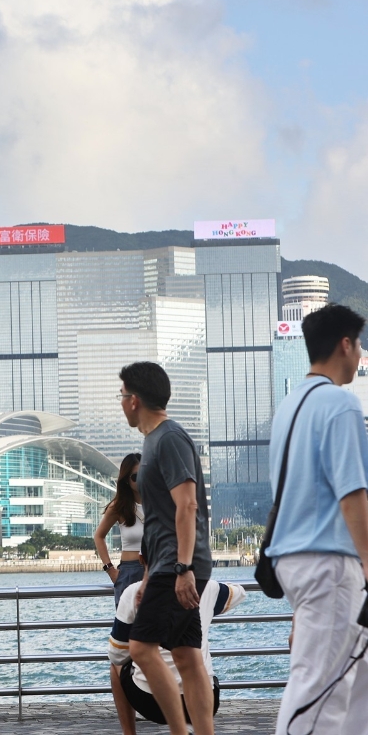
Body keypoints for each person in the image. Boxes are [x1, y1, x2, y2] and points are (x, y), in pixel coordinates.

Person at [265, 304, 368, 735]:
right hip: (330, 561)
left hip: (294, 559)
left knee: (355, 682)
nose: (360, 354)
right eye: (358, 344)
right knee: (318, 688)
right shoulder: (341, 404)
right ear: (345, 344)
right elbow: (352, 493)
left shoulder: (289, 408)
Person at [118, 362, 214, 735]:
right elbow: (159, 520)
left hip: (178, 565)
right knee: (186, 656)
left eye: (122, 395)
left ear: (134, 400)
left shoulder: (169, 438)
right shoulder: (153, 440)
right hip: (167, 565)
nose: (121, 402)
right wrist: (147, 576)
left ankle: (179, 731)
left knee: (141, 649)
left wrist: (182, 568)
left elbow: (187, 505)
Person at [107, 580, 245, 733]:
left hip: (150, 701)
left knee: (116, 664)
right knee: (197, 668)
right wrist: (209, 596)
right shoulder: (207, 587)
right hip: (204, 697)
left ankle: (129, 733)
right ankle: (190, 725)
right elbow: (239, 592)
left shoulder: (134, 592)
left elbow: (116, 654)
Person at [93, 453, 143, 605]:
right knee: (127, 620)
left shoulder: (159, 503)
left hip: (156, 570)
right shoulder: (119, 507)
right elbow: (99, 536)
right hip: (129, 572)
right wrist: (110, 570)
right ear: (126, 479)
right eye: (135, 477)